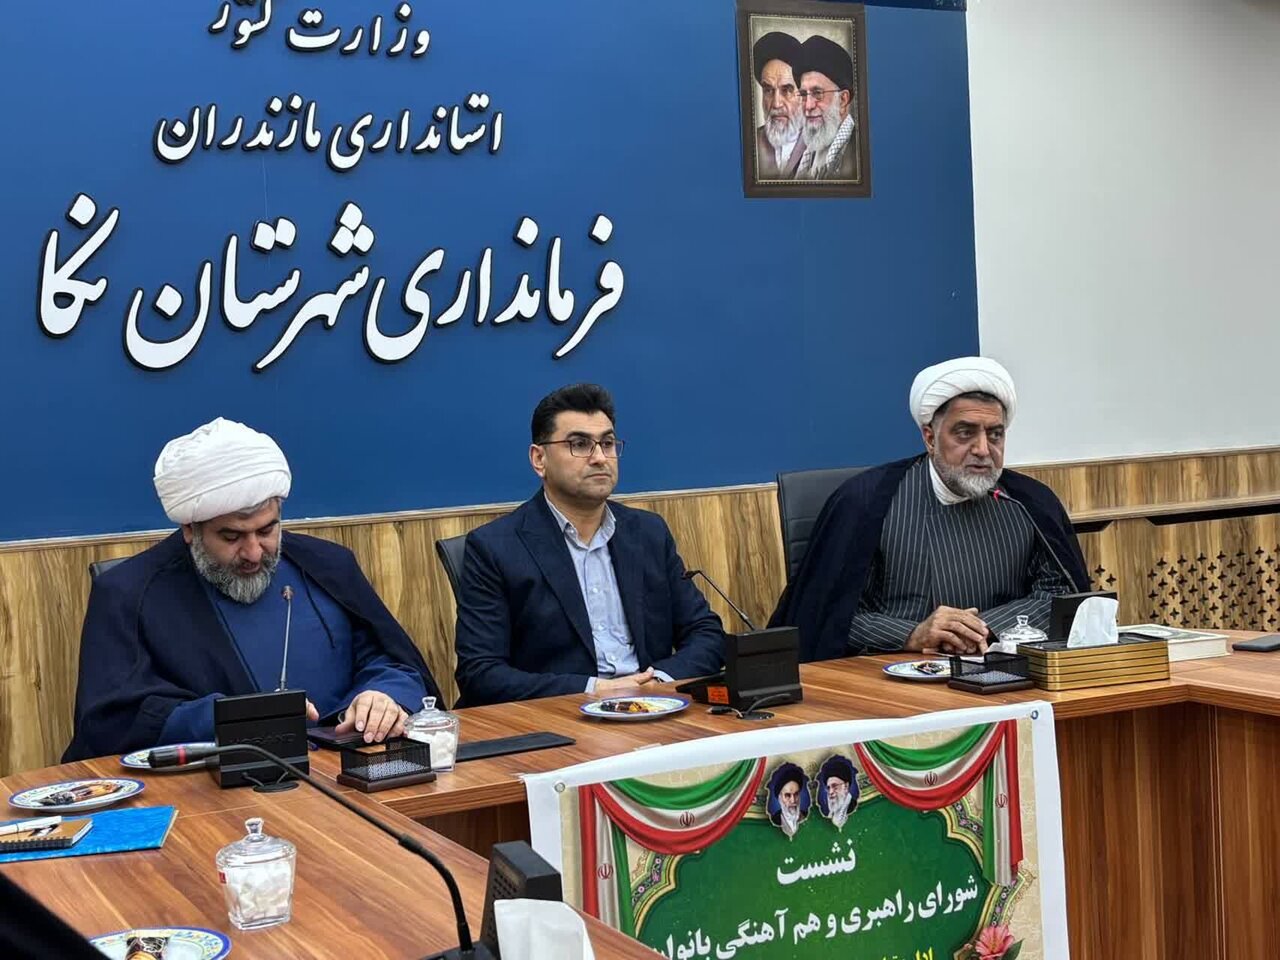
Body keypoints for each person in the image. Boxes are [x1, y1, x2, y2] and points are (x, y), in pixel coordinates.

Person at [64, 418, 440, 761]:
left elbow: (391, 660)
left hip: (352, 769)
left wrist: (386, 694)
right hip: (214, 791)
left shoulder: (328, 564)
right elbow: (115, 722)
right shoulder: (128, 593)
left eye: (267, 530)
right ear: (190, 529)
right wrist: (236, 718)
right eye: (232, 536)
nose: (254, 552)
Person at [771, 357, 1089, 662]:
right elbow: (827, 615)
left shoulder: (1029, 503)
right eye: (965, 432)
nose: (983, 449)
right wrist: (912, 634)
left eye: (995, 434)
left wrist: (981, 628)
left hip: (1002, 671)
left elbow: (1062, 597)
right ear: (930, 438)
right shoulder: (866, 503)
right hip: (888, 679)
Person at [453, 384, 724, 706]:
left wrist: (658, 683)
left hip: (654, 706)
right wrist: (595, 689)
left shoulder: (648, 533)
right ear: (539, 459)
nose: (599, 458)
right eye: (580, 444)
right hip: (562, 715)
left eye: (607, 444)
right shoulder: (495, 548)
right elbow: (481, 673)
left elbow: (706, 632)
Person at [794, 35, 858, 181]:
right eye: (803, 94)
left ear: (843, 100)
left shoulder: (859, 155)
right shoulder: (802, 159)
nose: (808, 106)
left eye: (817, 93)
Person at [752, 31, 805, 180]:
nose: (776, 104)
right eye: (768, 90)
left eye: (786, 90)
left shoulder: (822, 147)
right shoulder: (750, 143)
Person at [768, 762, 808, 838]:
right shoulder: (774, 821)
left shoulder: (806, 817)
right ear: (780, 798)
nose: (793, 800)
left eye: (796, 794)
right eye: (787, 795)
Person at [819, 755, 857, 829]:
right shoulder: (830, 812)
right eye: (828, 788)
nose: (830, 792)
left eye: (835, 786)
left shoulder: (852, 805)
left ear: (846, 786)